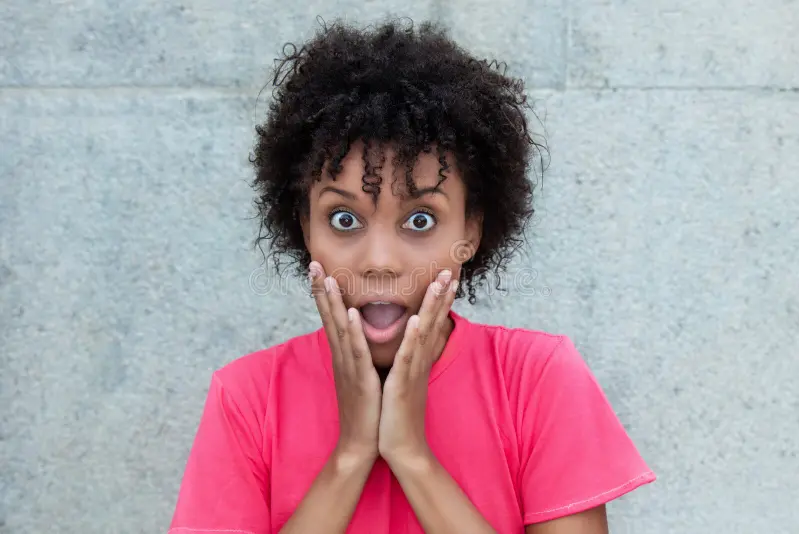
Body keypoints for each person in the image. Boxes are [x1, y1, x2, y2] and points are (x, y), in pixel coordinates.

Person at [168, 17, 655, 534]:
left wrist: (411, 456)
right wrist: (352, 454)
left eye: (419, 220)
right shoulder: (247, 397)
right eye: (344, 219)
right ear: (304, 229)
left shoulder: (538, 379)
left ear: (470, 230)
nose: (380, 260)